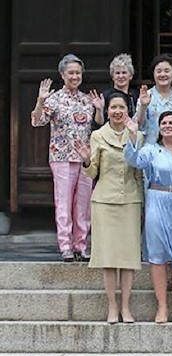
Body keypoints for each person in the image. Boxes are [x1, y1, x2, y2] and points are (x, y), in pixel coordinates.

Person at [124, 110, 172, 324]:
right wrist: (132, 135)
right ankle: (162, 308)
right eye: (164, 122)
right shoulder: (151, 150)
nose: (168, 126)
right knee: (158, 256)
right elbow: (133, 160)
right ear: (159, 127)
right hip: (158, 200)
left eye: (171, 123)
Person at [75, 92, 144, 324]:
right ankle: (112, 307)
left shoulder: (138, 135)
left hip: (130, 200)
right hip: (104, 201)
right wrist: (86, 160)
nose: (117, 111)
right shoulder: (97, 135)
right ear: (107, 111)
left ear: (128, 110)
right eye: (113, 107)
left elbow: (139, 170)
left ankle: (126, 307)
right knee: (108, 257)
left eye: (121, 107)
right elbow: (93, 172)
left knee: (127, 258)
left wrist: (134, 138)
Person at [31, 54, 95, 262]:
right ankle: (66, 246)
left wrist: (101, 109)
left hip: (85, 157)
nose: (75, 76)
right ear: (62, 74)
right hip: (61, 156)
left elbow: (99, 124)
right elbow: (38, 122)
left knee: (83, 204)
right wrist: (40, 100)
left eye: (78, 73)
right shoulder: (54, 99)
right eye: (71, 73)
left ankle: (81, 245)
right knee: (64, 203)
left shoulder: (87, 100)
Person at [134, 53, 172, 145]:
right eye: (158, 71)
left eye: (167, 71)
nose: (162, 74)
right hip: (151, 148)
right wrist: (143, 106)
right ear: (153, 73)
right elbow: (138, 126)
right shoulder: (146, 96)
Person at [91, 53, 139, 130]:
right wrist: (99, 110)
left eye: (124, 73)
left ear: (130, 76)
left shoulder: (135, 95)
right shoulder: (105, 95)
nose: (121, 76)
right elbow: (98, 124)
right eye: (117, 73)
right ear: (112, 76)